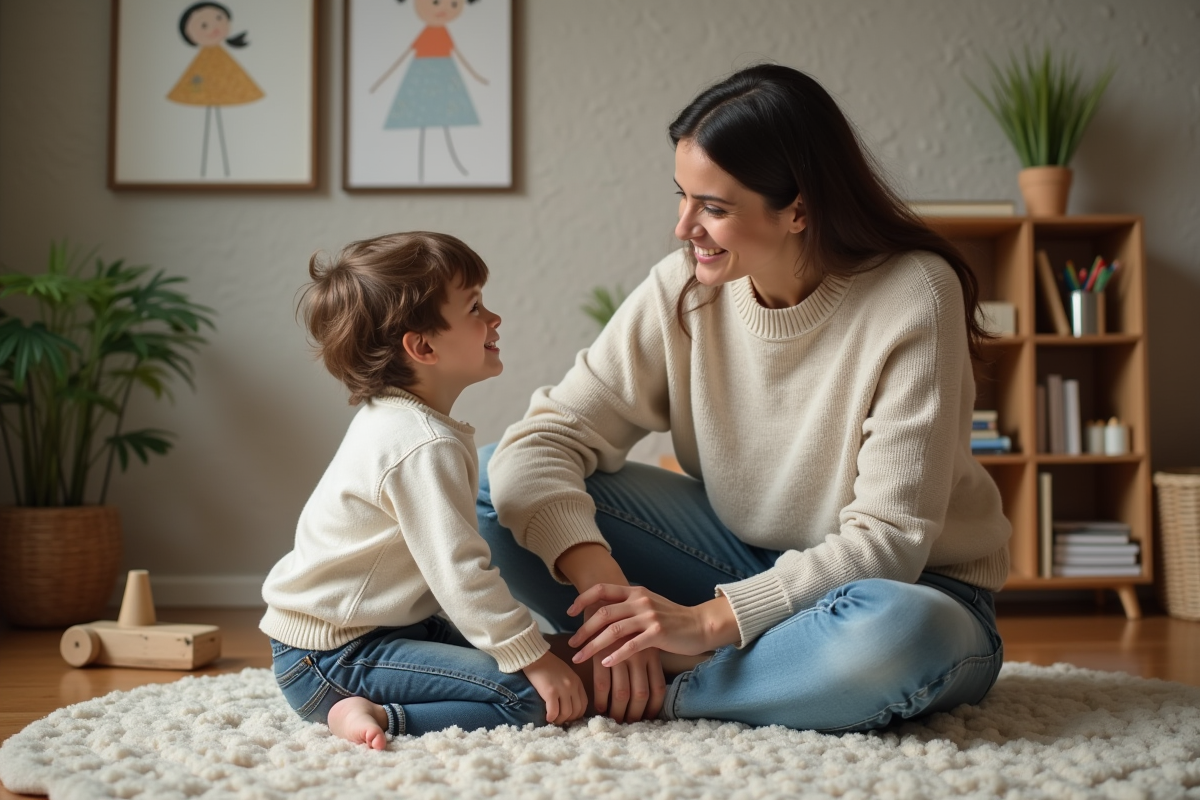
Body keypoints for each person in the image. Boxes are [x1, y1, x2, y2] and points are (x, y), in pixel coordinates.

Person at [477, 64, 1011, 731]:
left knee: (901, 638)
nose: (684, 227)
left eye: (714, 208)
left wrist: (704, 623)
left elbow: (889, 541)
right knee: (493, 483)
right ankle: (705, 665)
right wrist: (609, 596)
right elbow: (544, 440)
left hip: (901, 589)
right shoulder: (683, 288)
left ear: (799, 210)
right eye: (683, 197)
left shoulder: (915, 293)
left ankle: (655, 685)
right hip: (733, 558)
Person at [261, 232, 587, 749]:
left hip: (386, 631)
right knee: (530, 696)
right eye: (475, 307)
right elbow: (460, 573)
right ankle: (372, 713)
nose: (494, 318)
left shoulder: (406, 423)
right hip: (333, 657)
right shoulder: (422, 444)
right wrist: (533, 660)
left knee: (545, 656)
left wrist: (534, 650)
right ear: (424, 347)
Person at [168, 2, 265, 178]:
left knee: (220, 127)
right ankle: (207, 170)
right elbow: (195, 80)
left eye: (219, 18)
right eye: (204, 25)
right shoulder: (202, 62)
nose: (214, 28)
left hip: (224, 88)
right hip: (204, 89)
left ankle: (224, 169)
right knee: (207, 126)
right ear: (189, 35)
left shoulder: (223, 59)